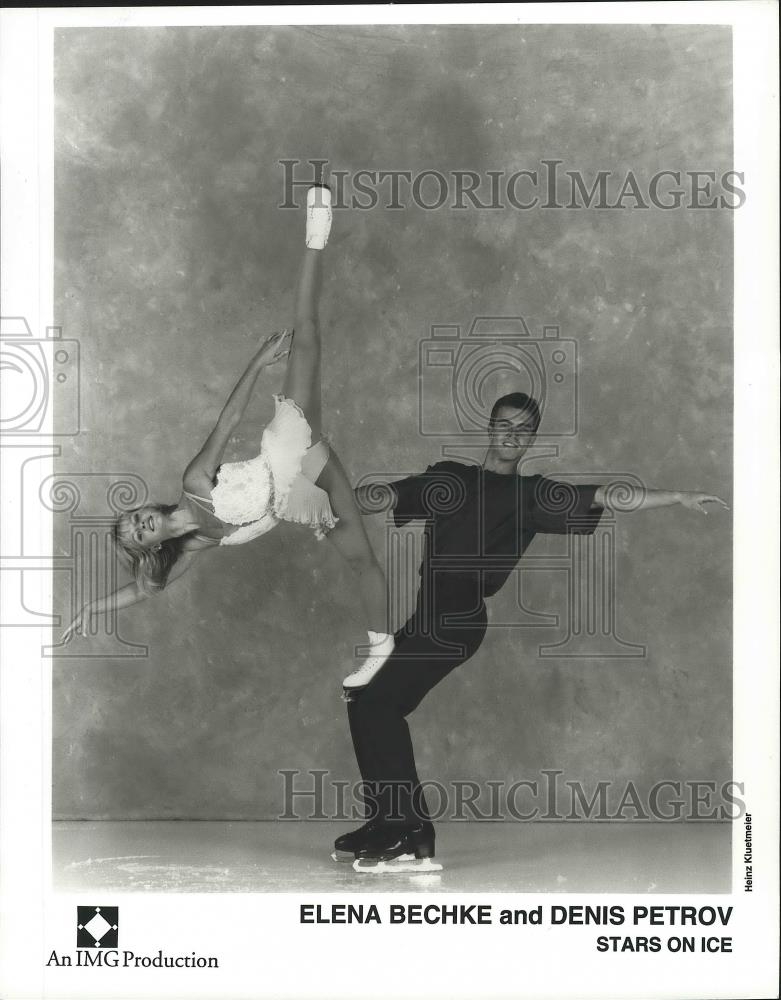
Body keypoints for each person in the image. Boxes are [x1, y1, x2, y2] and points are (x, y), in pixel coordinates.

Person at [336, 392, 728, 872]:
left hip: (459, 620)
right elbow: (386, 496)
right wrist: (331, 505)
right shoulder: (449, 478)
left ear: (531, 440)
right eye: (506, 424)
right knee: (364, 698)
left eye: (524, 429)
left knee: (380, 703)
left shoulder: (532, 496)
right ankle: (384, 820)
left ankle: (413, 831)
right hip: (425, 618)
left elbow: (606, 494)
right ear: (490, 427)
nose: (513, 434)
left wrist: (678, 497)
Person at [62, 185, 394, 689]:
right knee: (361, 560)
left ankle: (316, 232)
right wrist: (94, 606)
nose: (140, 522)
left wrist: (259, 363)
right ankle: (382, 646)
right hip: (307, 490)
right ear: (152, 547)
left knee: (306, 335)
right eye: (139, 534)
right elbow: (143, 591)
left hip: (288, 446)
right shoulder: (197, 544)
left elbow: (227, 424)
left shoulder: (194, 481)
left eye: (133, 518)